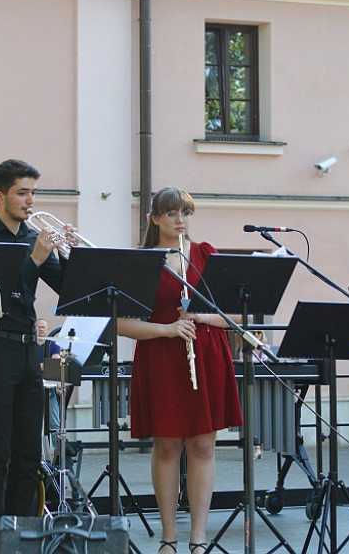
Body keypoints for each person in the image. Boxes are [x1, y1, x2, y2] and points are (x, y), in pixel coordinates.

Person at [118, 187, 242, 554]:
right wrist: (168, 329)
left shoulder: (206, 254)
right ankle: (169, 537)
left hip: (206, 353)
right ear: (154, 218)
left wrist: (200, 317)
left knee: (204, 445)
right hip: (161, 355)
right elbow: (120, 324)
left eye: (185, 213)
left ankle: (199, 539)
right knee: (167, 446)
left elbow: (234, 316)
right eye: (171, 213)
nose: (180, 220)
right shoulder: (142, 261)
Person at [0, 159, 64, 534]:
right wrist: (35, 258)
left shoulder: (31, 238)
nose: (30, 201)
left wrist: (66, 253)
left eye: (33, 193)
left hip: (27, 353)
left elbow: (67, 289)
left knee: (28, 454)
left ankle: (23, 534)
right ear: (0, 195)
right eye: (22, 193)